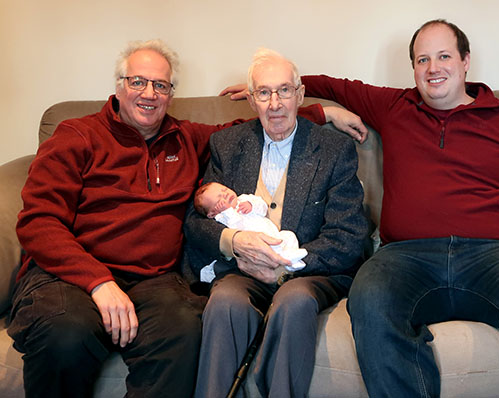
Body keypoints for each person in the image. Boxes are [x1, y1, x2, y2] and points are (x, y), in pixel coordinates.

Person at [221, 20, 499, 397]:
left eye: (444, 56)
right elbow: (337, 87)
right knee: (371, 296)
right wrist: (281, 92)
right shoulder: (396, 106)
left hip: (496, 257)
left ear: (466, 61)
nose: (433, 68)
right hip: (406, 259)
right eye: (422, 59)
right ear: (413, 68)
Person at [7, 39, 334, 398]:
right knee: (66, 333)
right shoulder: (76, 135)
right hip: (70, 277)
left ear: (170, 93)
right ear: (119, 86)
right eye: (138, 82)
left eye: (160, 85)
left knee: (184, 331)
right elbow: (39, 222)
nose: (149, 93)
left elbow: (256, 125)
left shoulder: (185, 138)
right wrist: (99, 283)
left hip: (154, 281)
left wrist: (323, 114)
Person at [184, 48, 368, 398]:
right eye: (264, 93)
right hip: (243, 271)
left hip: (310, 274)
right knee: (225, 302)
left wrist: (284, 267)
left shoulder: (333, 149)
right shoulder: (227, 144)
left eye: (284, 91)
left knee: (294, 301)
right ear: (252, 101)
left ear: (299, 94)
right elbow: (197, 222)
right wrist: (234, 241)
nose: (275, 103)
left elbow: (347, 236)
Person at [193, 181, 308, 282]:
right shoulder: (222, 218)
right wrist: (228, 211)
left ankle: (291, 259)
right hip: (257, 247)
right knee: (269, 254)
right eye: (220, 199)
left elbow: (263, 209)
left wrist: (252, 205)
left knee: (289, 235)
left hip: (274, 236)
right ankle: (288, 260)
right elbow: (236, 229)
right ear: (212, 213)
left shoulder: (244, 198)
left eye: (225, 189)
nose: (226, 194)